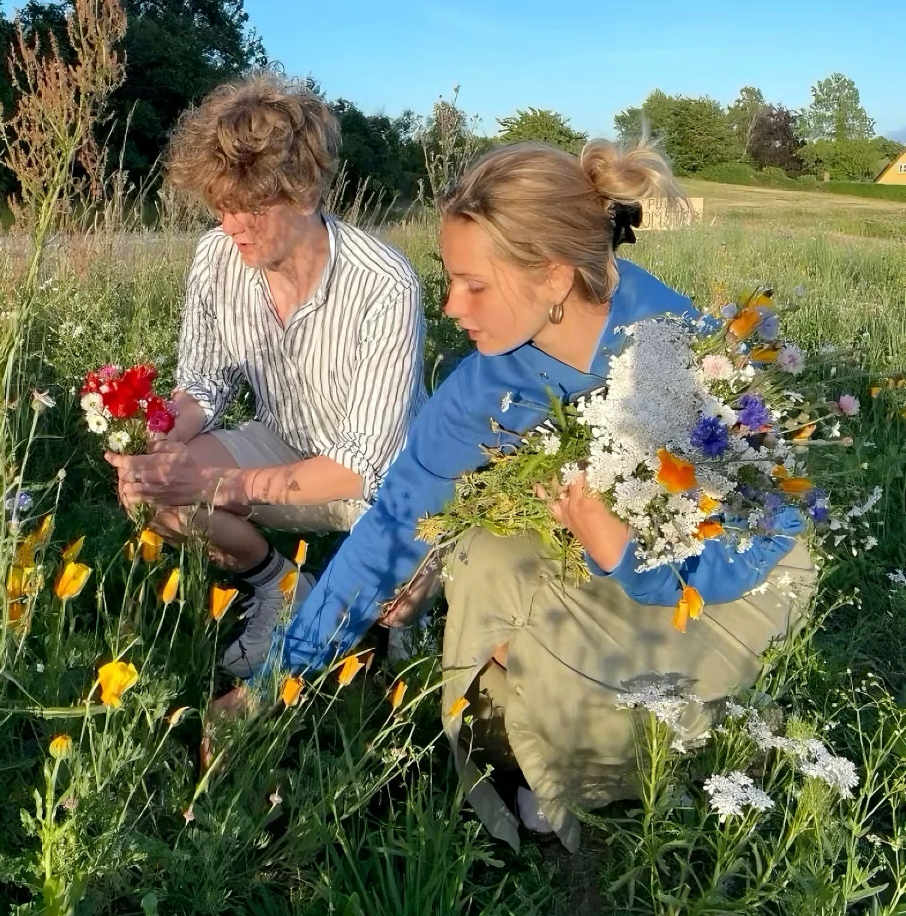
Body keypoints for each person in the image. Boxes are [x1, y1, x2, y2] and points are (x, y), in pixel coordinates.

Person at [257, 139, 815, 851]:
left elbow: (754, 537)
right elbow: (393, 524)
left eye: (475, 285)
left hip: (723, 587)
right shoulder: (485, 384)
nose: (452, 305)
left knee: (533, 626)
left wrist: (620, 552)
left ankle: (651, 744)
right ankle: (527, 746)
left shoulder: (677, 356)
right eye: (448, 278)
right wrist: (277, 680)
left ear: (553, 278)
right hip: (596, 558)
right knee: (483, 562)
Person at [106, 73, 426, 679]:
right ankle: (280, 586)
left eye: (252, 206)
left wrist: (229, 486)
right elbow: (204, 381)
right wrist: (166, 438)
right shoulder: (216, 256)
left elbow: (361, 466)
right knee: (150, 493)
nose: (232, 226)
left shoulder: (383, 282)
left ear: (305, 191)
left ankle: (407, 598)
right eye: (223, 206)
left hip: (379, 485)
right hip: (281, 439)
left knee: (394, 617)